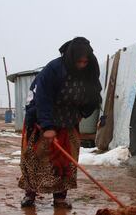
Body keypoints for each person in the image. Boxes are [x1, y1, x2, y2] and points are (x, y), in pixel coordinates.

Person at [18, 37, 102, 208]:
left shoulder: (90, 68)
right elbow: (42, 97)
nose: (82, 65)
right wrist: (47, 126)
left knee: (65, 161)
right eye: (79, 61)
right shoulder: (54, 69)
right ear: (71, 57)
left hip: (69, 121)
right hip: (42, 119)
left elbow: (95, 94)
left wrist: (82, 113)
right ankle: (30, 195)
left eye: (85, 61)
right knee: (35, 157)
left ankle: (60, 198)